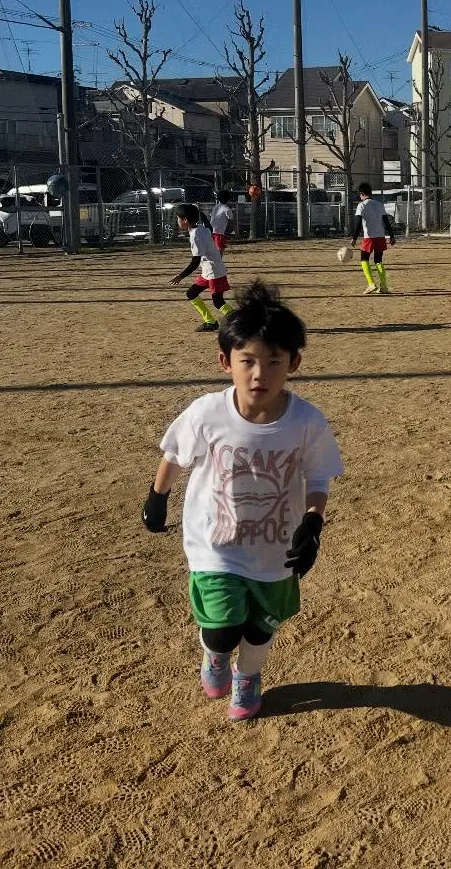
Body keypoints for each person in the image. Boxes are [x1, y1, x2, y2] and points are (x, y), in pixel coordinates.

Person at [142, 281, 344, 721]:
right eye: (247, 361)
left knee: (259, 628)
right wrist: (157, 497)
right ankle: (215, 656)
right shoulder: (207, 413)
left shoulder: (307, 421)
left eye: (274, 362)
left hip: (276, 549)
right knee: (223, 628)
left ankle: (248, 676)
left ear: (294, 363)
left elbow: (318, 475)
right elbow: (175, 455)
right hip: (216, 544)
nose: (259, 374)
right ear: (225, 362)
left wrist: (313, 522)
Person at [170, 203, 234, 332]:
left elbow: (195, 262)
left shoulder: (195, 235)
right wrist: (201, 213)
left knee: (218, 302)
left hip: (213, 271)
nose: (177, 221)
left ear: (185, 220)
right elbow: (209, 226)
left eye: (178, 218)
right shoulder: (202, 229)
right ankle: (210, 322)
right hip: (208, 270)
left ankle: (240, 320)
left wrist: (180, 276)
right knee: (191, 293)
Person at [350, 182, 395, 295]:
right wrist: (392, 236)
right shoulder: (380, 204)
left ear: (362, 194)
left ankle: (371, 285)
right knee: (378, 261)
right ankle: (384, 286)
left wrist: (354, 238)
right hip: (380, 236)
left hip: (369, 237)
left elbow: (358, 224)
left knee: (364, 259)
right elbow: (386, 221)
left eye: (360, 195)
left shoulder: (362, 205)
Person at [209, 190, 235, 254]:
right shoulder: (227, 209)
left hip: (211, 232)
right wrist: (235, 231)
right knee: (219, 251)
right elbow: (231, 220)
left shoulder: (215, 207)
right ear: (228, 200)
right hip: (219, 233)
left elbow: (211, 216)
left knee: (214, 251)